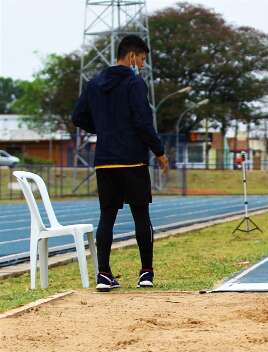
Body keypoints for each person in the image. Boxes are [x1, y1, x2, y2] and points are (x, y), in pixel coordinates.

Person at [72, 35, 169, 292]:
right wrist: (159, 151)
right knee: (141, 215)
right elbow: (143, 121)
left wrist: (104, 128)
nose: (143, 66)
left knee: (107, 216)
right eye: (143, 60)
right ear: (132, 56)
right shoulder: (134, 83)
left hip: (105, 161)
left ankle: (103, 274)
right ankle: (146, 272)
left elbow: (77, 116)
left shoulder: (93, 84)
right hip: (133, 160)